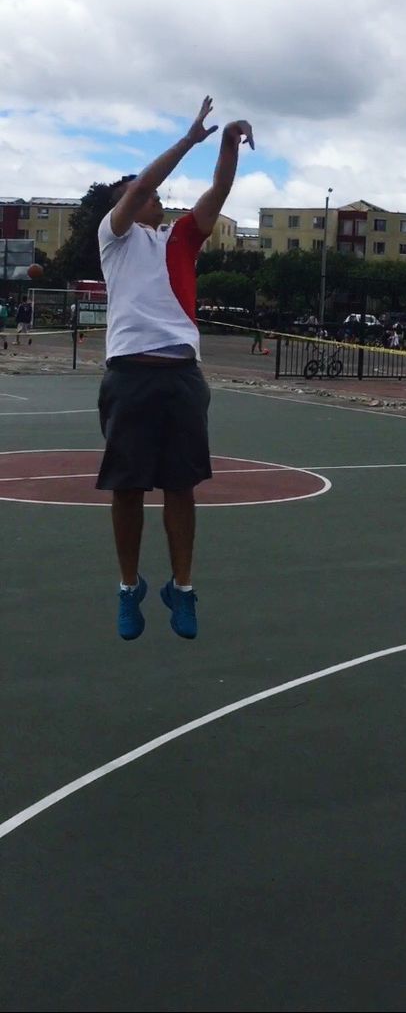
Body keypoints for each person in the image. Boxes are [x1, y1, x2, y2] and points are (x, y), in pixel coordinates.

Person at [96, 96, 254, 641]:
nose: (156, 198)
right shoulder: (114, 238)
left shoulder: (182, 238)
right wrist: (189, 138)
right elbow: (139, 188)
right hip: (130, 375)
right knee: (127, 488)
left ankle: (181, 588)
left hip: (182, 374)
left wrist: (229, 143)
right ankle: (127, 587)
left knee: (181, 487)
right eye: (148, 195)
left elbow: (219, 192)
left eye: (160, 195)